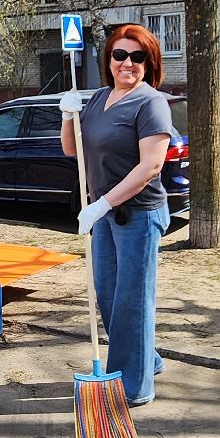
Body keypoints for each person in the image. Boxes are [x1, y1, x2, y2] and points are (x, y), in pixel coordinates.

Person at [60, 23, 176, 407]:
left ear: (149, 63)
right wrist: (66, 114)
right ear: (108, 59)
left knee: (132, 301)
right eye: (120, 55)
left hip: (139, 216)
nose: (128, 63)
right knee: (109, 297)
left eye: (137, 56)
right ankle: (148, 358)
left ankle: (134, 387)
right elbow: (72, 150)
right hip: (104, 216)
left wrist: (103, 203)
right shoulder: (98, 98)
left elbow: (151, 167)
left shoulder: (151, 103)